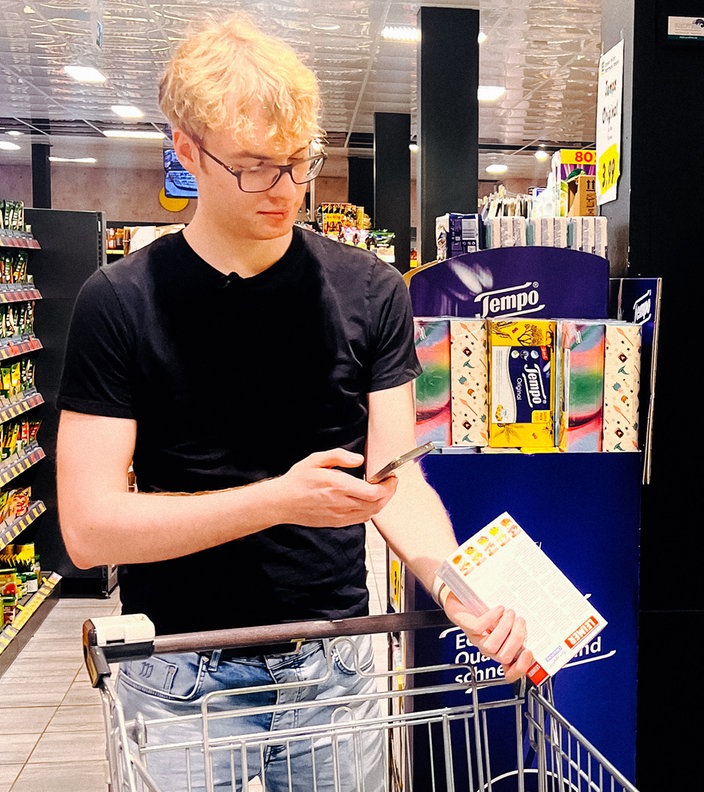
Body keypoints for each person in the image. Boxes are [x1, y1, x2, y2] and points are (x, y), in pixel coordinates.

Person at [55, 11, 534, 791]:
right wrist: (280, 499)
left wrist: (453, 583)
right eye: (253, 165)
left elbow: (396, 477)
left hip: (336, 665)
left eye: (297, 162)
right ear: (188, 152)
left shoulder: (369, 290)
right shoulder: (119, 301)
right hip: (178, 671)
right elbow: (88, 527)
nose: (285, 189)